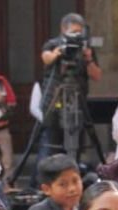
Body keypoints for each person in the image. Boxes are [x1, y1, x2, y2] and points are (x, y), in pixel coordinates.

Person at [38, 13, 102, 159]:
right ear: (63, 30)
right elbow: (45, 58)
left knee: (76, 145)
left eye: (79, 33)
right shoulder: (54, 44)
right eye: (73, 33)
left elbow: (97, 75)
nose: (76, 37)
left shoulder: (85, 48)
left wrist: (89, 59)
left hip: (77, 102)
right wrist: (58, 53)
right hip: (54, 103)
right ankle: (43, 178)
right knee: (50, 144)